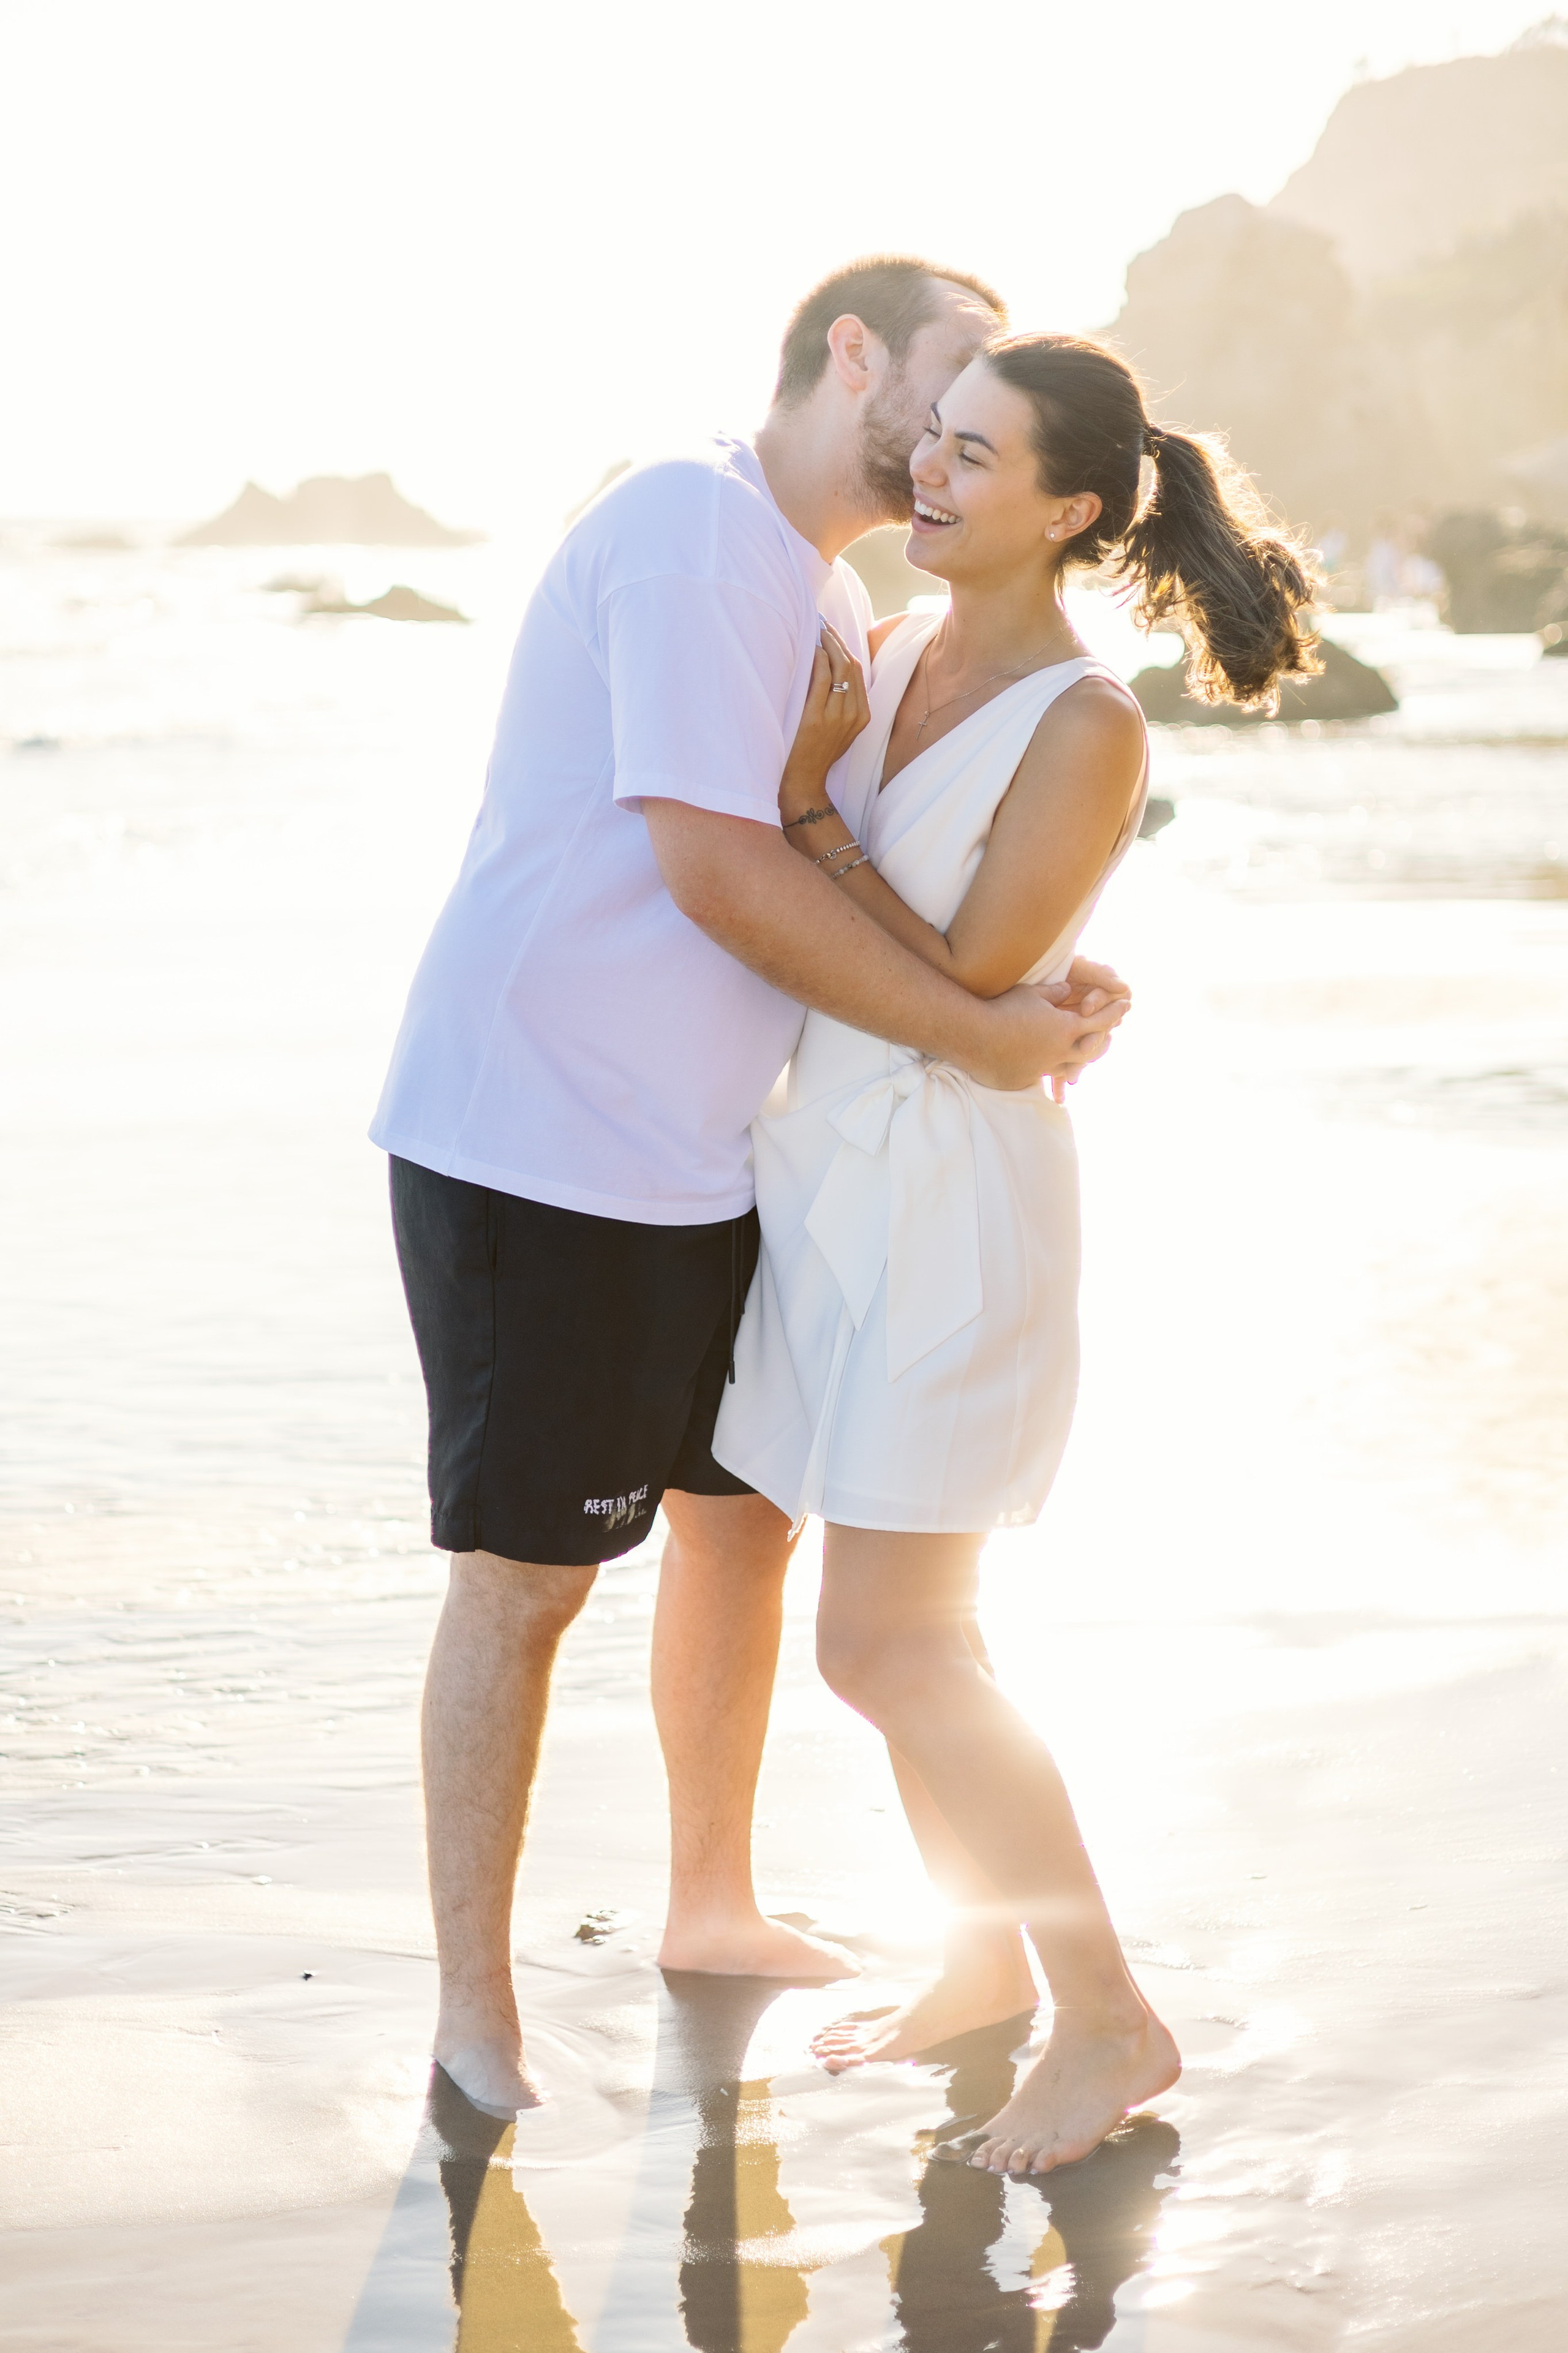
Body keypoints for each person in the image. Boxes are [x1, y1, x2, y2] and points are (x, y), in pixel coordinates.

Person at [369, 260, 1133, 2115]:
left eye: (988, 435)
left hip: (756, 1172)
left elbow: (910, 871)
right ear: (854, 354)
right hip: (552, 1145)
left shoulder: (837, 598)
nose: (950, 450)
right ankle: (481, 2009)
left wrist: (1020, 992)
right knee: (533, 1578)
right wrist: (989, 1018)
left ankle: (729, 1904)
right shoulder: (717, 544)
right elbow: (729, 866)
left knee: (756, 1536)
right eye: (948, 396)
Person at [714, 330, 1317, 2172]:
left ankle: (1107, 2013)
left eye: (977, 460)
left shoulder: (1091, 717)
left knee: (889, 1646)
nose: (932, 477)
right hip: (831, 1175)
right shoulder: (887, 651)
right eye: (936, 444)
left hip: (958, 1197)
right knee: (915, 1632)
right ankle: (985, 1967)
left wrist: (815, 813)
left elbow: (972, 973)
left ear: (1066, 507)